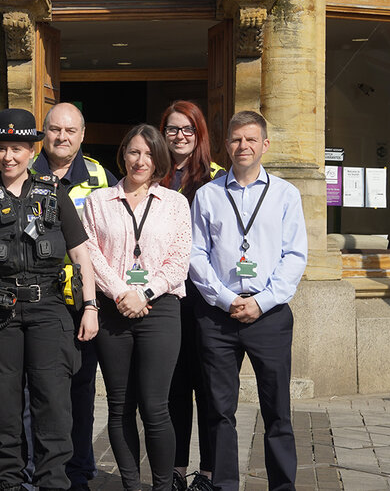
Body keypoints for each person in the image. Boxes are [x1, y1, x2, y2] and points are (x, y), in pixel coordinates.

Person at [0, 108, 98, 491]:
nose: (9, 156)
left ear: (32, 151)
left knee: (53, 405)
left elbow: (82, 255)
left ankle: (53, 483)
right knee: (3, 406)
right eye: (2, 148)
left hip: (49, 311)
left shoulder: (54, 194)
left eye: (17, 148)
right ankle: (8, 482)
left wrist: (90, 307)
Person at [189, 111, 307, 491]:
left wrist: (263, 301)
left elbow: (295, 256)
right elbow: (196, 254)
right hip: (218, 316)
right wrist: (224, 299)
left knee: (277, 411)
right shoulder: (208, 194)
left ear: (265, 145)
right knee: (219, 410)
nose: (243, 146)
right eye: (236, 139)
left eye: (251, 140)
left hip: (269, 315)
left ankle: (282, 486)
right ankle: (224, 485)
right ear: (227, 145)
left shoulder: (286, 194)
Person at [81, 124, 191, 491]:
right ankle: (131, 484)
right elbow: (90, 254)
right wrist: (120, 292)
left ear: (159, 159)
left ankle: (161, 486)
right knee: (120, 405)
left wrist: (143, 294)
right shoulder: (98, 201)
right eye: (133, 152)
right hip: (114, 310)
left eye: (148, 153)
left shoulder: (175, 203)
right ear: (123, 155)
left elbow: (179, 261)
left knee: (156, 407)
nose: (140, 160)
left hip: (159, 310)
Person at [27, 102, 116, 490]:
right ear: (44, 132)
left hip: (84, 301)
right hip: (36, 298)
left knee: (80, 391)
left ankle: (78, 471)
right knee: (36, 393)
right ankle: (36, 471)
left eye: (70, 131)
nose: (62, 138)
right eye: (54, 130)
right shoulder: (24, 170)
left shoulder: (100, 175)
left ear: (82, 135)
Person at [157, 100, 225, 491]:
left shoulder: (216, 179)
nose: (179, 136)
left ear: (199, 135)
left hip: (206, 298)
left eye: (187, 130)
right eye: (172, 129)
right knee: (174, 390)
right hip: (168, 300)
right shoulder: (154, 175)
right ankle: (177, 470)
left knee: (210, 390)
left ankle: (211, 471)